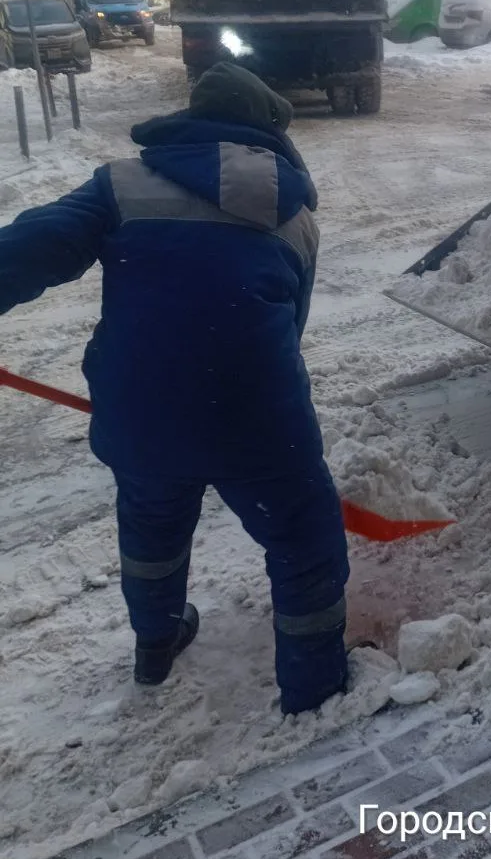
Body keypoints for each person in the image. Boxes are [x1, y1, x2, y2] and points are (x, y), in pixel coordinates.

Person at [0, 62, 349, 715]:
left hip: (141, 414)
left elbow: (28, 248)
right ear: (271, 135)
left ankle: (156, 647)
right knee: (305, 544)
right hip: (257, 415)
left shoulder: (119, 185)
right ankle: (315, 691)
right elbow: (290, 326)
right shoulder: (296, 216)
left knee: (152, 529)